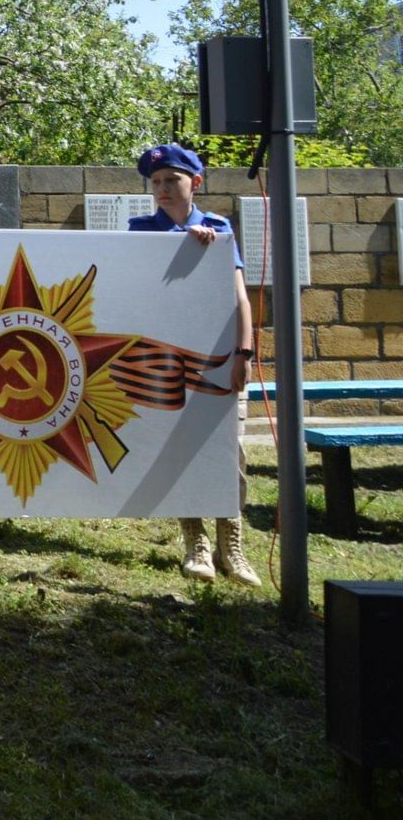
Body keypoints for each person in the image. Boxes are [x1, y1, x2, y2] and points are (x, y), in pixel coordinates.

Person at [129, 143, 260, 586]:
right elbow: (137, 286)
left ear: (195, 183)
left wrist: (243, 353)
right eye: (157, 183)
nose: (163, 190)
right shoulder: (141, 229)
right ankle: (196, 541)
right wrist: (179, 244)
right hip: (168, 362)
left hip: (220, 359)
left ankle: (233, 542)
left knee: (230, 452)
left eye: (172, 181)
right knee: (181, 448)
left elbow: (238, 298)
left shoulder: (218, 228)